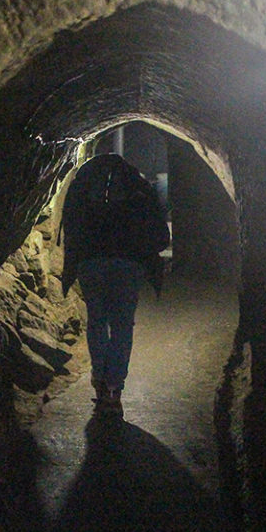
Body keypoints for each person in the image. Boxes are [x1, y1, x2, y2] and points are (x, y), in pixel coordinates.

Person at [60, 152, 171, 417]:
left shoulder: (84, 184)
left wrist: (73, 261)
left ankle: (100, 381)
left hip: (92, 263)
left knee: (97, 321)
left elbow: (71, 228)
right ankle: (114, 390)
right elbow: (158, 234)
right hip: (128, 265)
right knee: (122, 325)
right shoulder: (138, 188)